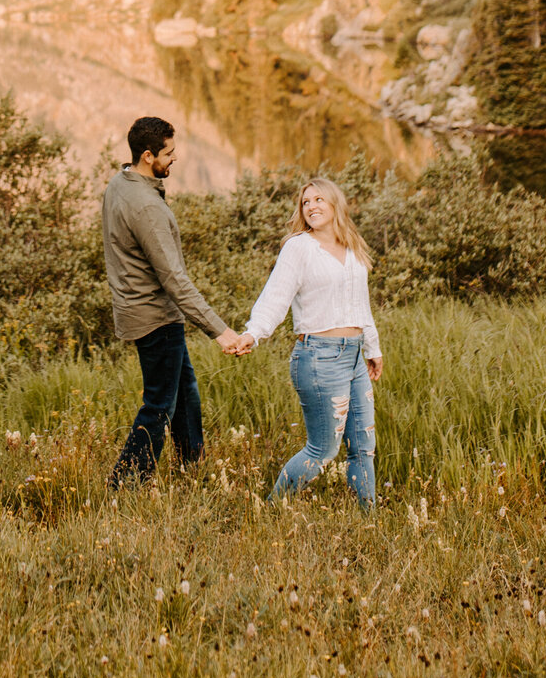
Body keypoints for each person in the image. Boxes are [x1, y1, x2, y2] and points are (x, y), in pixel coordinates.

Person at [103, 116, 243, 485]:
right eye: (169, 152)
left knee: (185, 395)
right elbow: (175, 280)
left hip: (143, 309)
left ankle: (191, 468)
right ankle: (127, 482)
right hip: (155, 317)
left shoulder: (121, 182)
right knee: (159, 405)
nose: (175, 158)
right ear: (148, 155)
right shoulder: (145, 207)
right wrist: (221, 332)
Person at [232, 176, 382, 508]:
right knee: (323, 449)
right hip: (319, 357)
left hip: (355, 357)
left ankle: (368, 519)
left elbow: (361, 304)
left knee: (363, 446)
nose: (311, 206)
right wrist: (252, 334)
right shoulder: (299, 247)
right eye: (306, 202)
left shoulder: (352, 246)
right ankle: (269, 510)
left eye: (318, 200)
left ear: (334, 204)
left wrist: (372, 348)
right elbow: (275, 298)